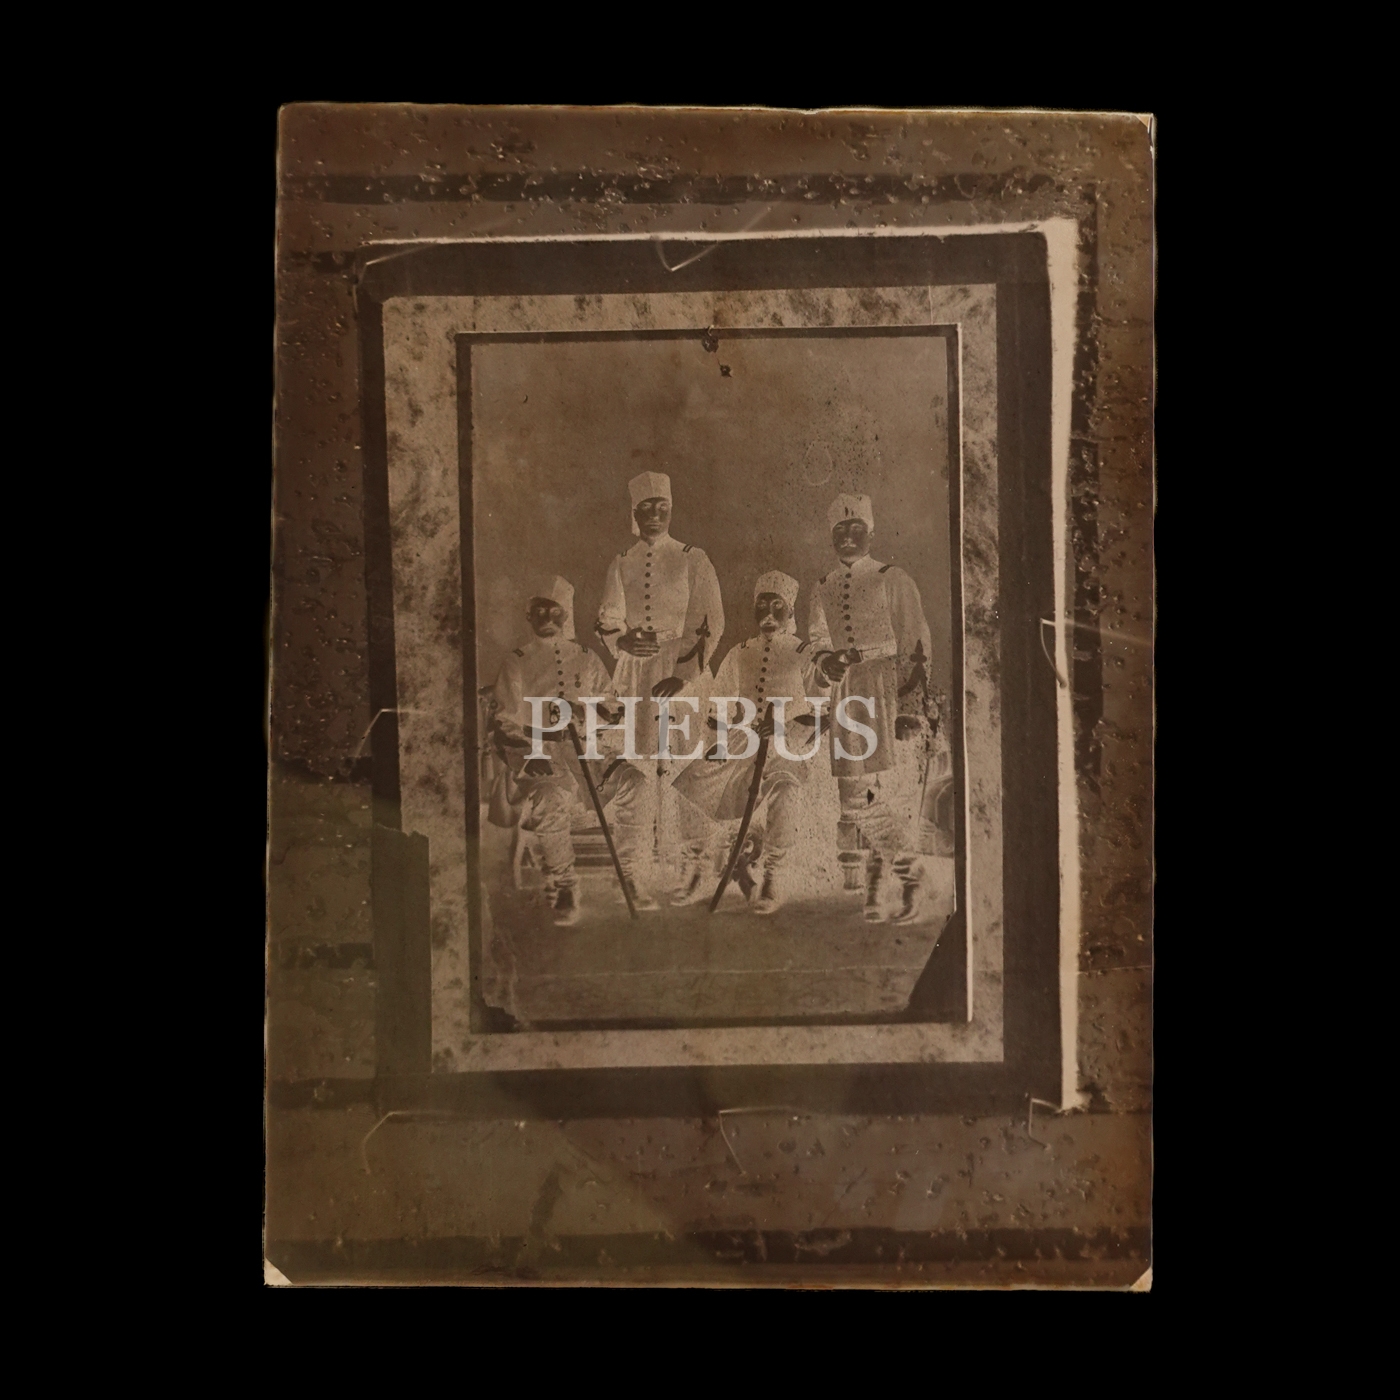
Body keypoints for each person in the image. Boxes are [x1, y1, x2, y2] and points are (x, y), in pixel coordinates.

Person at [808, 493, 947, 923]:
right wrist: (824, 662)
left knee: (889, 791)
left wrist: (908, 706)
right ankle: (909, 873)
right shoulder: (822, 586)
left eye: (856, 530)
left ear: (871, 533)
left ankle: (891, 882)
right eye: (840, 531)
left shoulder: (893, 578)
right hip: (846, 694)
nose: (848, 537)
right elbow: (817, 641)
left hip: (887, 688)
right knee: (855, 796)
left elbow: (916, 643)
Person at [490, 574, 652, 924]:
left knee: (636, 783)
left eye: (556, 612)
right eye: (540, 611)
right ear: (529, 615)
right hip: (537, 753)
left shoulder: (587, 657)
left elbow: (613, 708)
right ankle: (564, 882)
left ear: (567, 615)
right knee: (549, 797)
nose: (548, 619)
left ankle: (627, 874)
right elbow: (503, 721)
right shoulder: (516, 661)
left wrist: (584, 713)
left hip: (588, 752)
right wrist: (529, 755)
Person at [595, 470, 725, 903]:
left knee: (687, 773)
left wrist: (684, 675)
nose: (654, 515)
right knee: (636, 773)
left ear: (671, 510)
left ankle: (696, 867)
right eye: (646, 508)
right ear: (634, 513)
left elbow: (710, 621)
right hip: (635, 676)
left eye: (662, 507)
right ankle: (631, 873)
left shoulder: (693, 558)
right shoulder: (621, 561)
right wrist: (621, 641)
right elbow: (608, 617)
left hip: (683, 674)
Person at [671, 571, 825, 915]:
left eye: (777, 606)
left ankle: (773, 876)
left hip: (789, 748)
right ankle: (696, 866)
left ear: (790, 610)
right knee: (689, 785)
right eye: (762, 605)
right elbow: (719, 705)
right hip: (743, 742)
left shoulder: (805, 653)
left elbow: (822, 710)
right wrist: (720, 740)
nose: (768, 613)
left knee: (786, 791)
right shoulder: (739, 652)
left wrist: (784, 726)